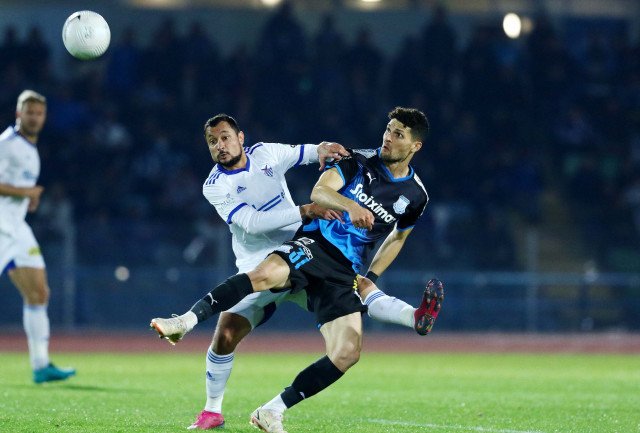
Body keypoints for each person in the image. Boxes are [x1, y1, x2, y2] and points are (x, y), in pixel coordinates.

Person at [151, 108, 444, 432]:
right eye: (388, 130)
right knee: (231, 328)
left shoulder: (415, 195)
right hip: (300, 249)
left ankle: (272, 410)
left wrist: (323, 148)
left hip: (332, 263)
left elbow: (397, 235)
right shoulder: (217, 184)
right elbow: (297, 202)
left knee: (347, 351)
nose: (387, 137)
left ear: (415, 146)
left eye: (397, 134)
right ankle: (188, 331)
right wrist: (337, 207)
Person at [0, 90, 76, 384]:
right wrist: (27, 192)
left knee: (38, 293)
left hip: (17, 228)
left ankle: (41, 365)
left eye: (39, 113)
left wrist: (27, 198)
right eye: (29, 112)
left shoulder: (29, 148)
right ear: (18, 114)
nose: (34, 117)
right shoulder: (7, 144)